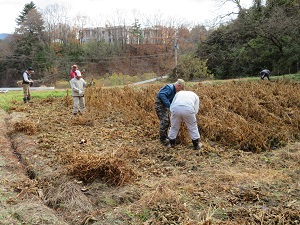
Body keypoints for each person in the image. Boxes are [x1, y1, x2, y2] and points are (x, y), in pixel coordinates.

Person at [154, 79, 185, 145]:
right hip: (160, 105)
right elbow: (161, 94)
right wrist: (169, 105)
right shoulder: (169, 88)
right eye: (180, 88)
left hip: (165, 106)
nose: (179, 90)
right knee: (165, 121)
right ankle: (163, 139)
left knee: (169, 120)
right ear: (178, 85)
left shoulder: (173, 90)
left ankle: (167, 136)